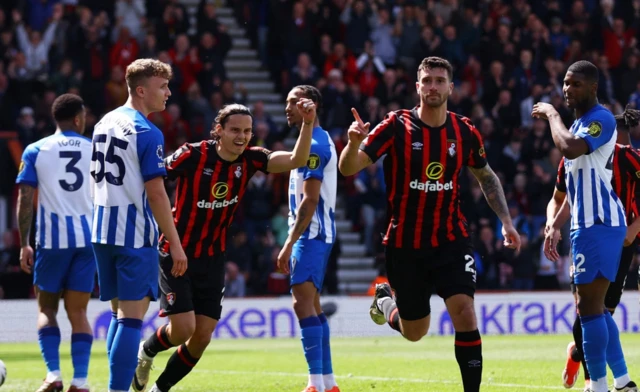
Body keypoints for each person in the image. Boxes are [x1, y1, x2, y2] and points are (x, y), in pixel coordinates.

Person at [338, 56, 521, 392]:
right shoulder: (395, 125)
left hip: (451, 239)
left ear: (451, 87)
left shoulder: (465, 131)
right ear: (417, 86)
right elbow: (348, 169)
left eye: (440, 80)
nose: (433, 86)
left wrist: (506, 222)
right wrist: (352, 143)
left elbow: (486, 176)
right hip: (405, 245)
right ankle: (385, 302)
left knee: (464, 312)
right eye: (427, 80)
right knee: (415, 332)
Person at [131, 99, 316, 392]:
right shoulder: (193, 154)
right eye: (235, 130)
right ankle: (146, 351)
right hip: (177, 252)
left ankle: (159, 389)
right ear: (218, 130)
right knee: (183, 330)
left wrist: (307, 124)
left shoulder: (252, 159)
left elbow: (296, 159)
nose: (242, 136)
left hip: (213, 257)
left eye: (247, 131)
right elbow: (151, 181)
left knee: (202, 336)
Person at [533, 60, 635, 392]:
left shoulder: (600, 120)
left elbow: (568, 147)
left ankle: (599, 386)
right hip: (585, 225)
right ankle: (622, 382)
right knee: (598, 308)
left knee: (588, 307)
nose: (567, 89)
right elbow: (566, 195)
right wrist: (553, 225)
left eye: (575, 84)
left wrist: (550, 114)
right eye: (565, 83)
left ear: (592, 87)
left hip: (600, 222)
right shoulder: (577, 127)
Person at [90, 58, 188, 392]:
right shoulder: (148, 131)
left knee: (120, 316)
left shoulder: (104, 121)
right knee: (132, 319)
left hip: (102, 228)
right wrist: (174, 243)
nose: (168, 93)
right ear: (142, 90)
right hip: (133, 233)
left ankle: (115, 386)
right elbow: (157, 193)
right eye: (163, 87)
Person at [16, 94, 95, 392]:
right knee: (79, 313)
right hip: (88, 242)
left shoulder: (36, 149)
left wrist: (25, 243)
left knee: (47, 310)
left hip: (52, 242)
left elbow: (25, 199)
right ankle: (81, 380)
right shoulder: (94, 149)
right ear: (78, 118)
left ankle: (53, 375)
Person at [275, 85, 340, 392]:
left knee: (302, 305)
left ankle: (315, 383)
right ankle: (328, 382)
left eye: (293, 102)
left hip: (311, 233)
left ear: (309, 105)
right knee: (311, 305)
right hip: (317, 233)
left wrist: (289, 243)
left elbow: (309, 200)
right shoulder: (315, 140)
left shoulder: (314, 145)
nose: (287, 108)